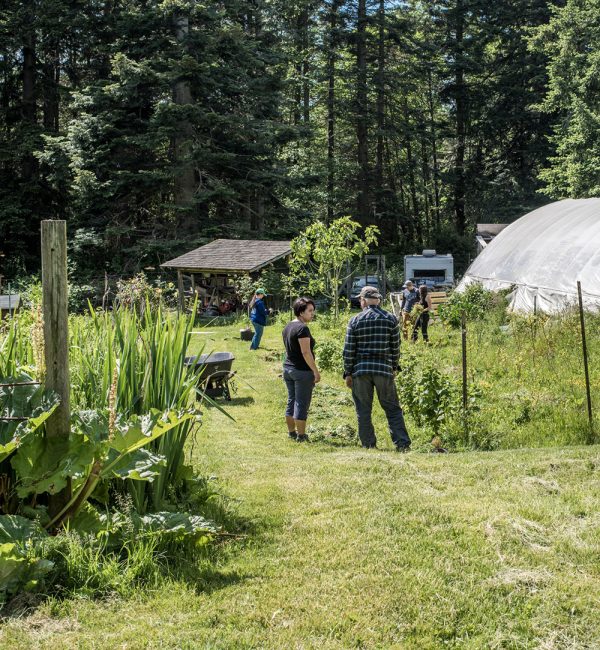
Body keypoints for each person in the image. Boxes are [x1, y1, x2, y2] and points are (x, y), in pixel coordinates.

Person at [343, 286, 411, 451]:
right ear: (378, 300)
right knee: (392, 408)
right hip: (383, 368)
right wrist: (394, 366)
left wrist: (348, 372)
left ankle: (368, 444)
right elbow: (396, 346)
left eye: (360, 299)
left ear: (364, 300)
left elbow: (349, 349)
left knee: (363, 410)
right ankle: (402, 444)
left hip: (361, 371)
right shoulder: (390, 319)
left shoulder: (355, 320)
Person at [282, 297, 320, 442]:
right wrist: (315, 371)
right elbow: (306, 352)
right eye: (310, 311)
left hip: (288, 369)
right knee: (301, 402)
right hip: (301, 371)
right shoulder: (302, 328)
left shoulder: (288, 326)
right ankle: (301, 435)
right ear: (301, 312)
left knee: (291, 400)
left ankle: (291, 432)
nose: (312, 313)